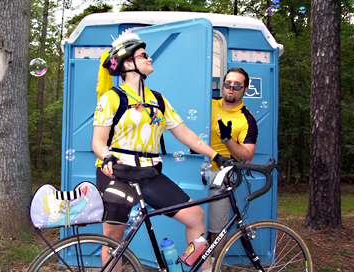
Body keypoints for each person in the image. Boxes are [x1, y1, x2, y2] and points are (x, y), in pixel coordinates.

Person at [92, 30, 228, 271]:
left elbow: (186, 134)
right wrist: (107, 155)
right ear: (128, 63)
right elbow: (98, 142)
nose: (150, 58)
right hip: (118, 174)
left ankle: (202, 269)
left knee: (195, 216)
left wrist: (215, 155)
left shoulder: (158, 100)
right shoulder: (112, 98)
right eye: (144, 55)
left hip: (150, 174)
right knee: (113, 238)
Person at [208, 67, 258, 255]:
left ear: (245, 90)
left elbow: (246, 156)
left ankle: (214, 267)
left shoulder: (247, 119)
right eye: (228, 84)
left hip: (220, 175)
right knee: (190, 219)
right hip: (194, 170)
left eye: (237, 85)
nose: (231, 88)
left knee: (217, 229)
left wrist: (227, 139)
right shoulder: (208, 103)